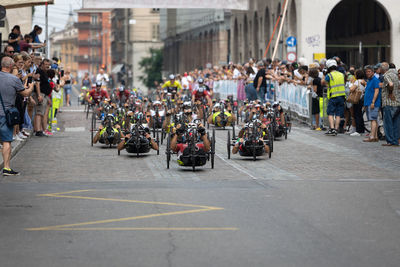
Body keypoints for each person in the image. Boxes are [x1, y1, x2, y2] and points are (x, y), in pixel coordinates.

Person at [0, 57, 34, 175]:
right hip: (6, 114)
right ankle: (6, 167)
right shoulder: (14, 79)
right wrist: (31, 88)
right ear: (10, 66)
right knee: (6, 141)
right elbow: (25, 93)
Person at [322, 59, 346, 136]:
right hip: (342, 96)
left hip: (333, 97)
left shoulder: (329, 75)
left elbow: (323, 83)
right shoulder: (341, 74)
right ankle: (336, 129)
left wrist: (324, 74)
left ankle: (332, 129)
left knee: (330, 113)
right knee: (338, 114)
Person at [381, 62, 400, 146]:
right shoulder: (396, 75)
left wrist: (390, 92)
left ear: (383, 69)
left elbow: (391, 84)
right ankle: (395, 140)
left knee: (388, 123)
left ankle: (390, 141)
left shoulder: (387, 75)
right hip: (397, 102)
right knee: (396, 123)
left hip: (389, 102)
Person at [363, 65, 381, 142]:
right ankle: (375, 136)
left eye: (369, 71)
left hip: (373, 103)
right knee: (374, 120)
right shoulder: (369, 80)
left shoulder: (375, 80)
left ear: (373, 72)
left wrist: (373, 102)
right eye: (366, 72)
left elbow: (376, 91)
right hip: (368, 103)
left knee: (373, 120)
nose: (367, 73)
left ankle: (372, 136)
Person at [348, 69, 366, 137]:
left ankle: (358, 130)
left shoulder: (357, 82)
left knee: (357, 114)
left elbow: (351, 89)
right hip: (362, 98)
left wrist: (351, 84)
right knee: (360, 114)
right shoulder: (364, 81)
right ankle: (361, 129)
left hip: (357, 99)